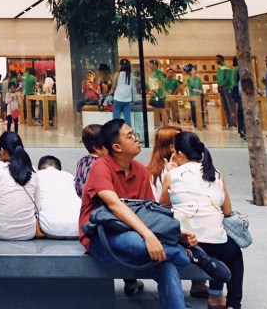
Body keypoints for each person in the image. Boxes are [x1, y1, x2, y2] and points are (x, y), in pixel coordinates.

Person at [78, 119, 231, 309]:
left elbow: (151, 212)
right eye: (130, 136)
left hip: (137, 236)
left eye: (135, 134)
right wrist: (149, 236)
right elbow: (114, 205)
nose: (136, 138)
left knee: (165, 263)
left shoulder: (140, 170)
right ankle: (188, 255)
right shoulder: (101, 167)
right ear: (117, 147)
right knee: (139, 243)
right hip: (101, 238)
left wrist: (178, 235)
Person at [160, 131, 244, 309]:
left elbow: (162, 207)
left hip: (185, 242)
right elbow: (227, 211)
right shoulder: (216, 174)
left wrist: (171, 172)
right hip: (216, 244)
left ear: (180, 154)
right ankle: (233, 304)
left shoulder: (172, 175)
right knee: (235, 254)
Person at [148, 125, 209, 300]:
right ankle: (201, 284)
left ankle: (199, 282)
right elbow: (161, 205)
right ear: (171, 148)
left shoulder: (153, 170)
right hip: (168, 225)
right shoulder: (162, 173)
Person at [34, 155, 81, 239]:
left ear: (39, 169)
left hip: (50, 229)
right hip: (79, 229)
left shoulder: (37, 175)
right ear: (59, 169)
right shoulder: (68, 176)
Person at [111, 58, 135, 126]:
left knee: (115, 119)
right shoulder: (131, 75)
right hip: (127, 100)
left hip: (118, 99)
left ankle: (115, 134)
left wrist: (112, 92)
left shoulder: (117, 74)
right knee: (127, 119)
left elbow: (113, 86)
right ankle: (129, 134)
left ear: (120, 66)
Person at [214, 55, 236, 128]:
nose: (216, 60)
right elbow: (217, 78)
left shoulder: (227, 67)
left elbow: (228, 78)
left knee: (230, 106)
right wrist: (218, 85)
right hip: (221, 89)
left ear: (221, 59)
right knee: (225, 106)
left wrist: (222, 85)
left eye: (217, 59)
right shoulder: (219, 68)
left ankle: (234, 123)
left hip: (227, 88)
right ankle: (229, 123)